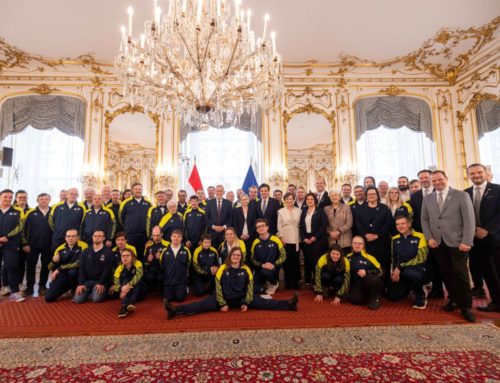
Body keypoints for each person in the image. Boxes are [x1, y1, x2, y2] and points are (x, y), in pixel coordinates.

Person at [164, 247, 298, 319]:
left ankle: (289, 304)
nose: (236, 257)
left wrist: (246, 302)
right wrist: (222, 303)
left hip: (241, 299)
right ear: (230, 256)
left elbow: (250, 288)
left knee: (265, 303)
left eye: (238, 255)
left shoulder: (246, 269)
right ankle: (175, 311)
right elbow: (217, 287)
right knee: (200, 305)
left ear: (241, 257)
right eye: (234, 255)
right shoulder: (223, 268)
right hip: (223, 299)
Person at [421, 170, 476, 322]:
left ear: (446, 178)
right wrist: (429, 237)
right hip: (438, 242)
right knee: (446, 273)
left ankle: (466, 306)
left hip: (458, 242)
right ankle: (454, 299)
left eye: (440, 179)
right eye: (434, 181)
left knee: (461, 274)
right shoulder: (428, 198)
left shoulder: (461, 195)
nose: (437, 183)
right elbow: (424, 220)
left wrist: (467, 240)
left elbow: (469, 220)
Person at [465, 163, 500, 312]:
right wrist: (472, 231)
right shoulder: (465, 193)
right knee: (488, 272)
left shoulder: (498, 189)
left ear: (486, 173)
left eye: (479, 172)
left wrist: (488, 230)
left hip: (495, 237)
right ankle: (497, 301)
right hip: (476, 239)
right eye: (472, 173)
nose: (476, 175)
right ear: (468, 176)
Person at [410, 169, 443, 300]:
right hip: (422, 235)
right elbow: (416, 217)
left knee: (441, 263)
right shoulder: (415, 196)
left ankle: (445, 290)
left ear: (431, 178)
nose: (424, 180)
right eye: (421, 178)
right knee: (428, 263)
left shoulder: (440, 192)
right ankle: (435, 289)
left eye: (426, 177)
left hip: (440, 235)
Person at [387, 215, 429, 309]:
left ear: (409, 224)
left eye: (403, 223)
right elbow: (394, 258)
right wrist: (394, 271)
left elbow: (421, 258)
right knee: (393, 296)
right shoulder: (394, 239)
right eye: (397, 224)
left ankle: (420, 294)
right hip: (402, 271)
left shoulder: (420, 236)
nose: (400, 226)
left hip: (419, 270)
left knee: (410, 273)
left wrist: (400, 267)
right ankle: (409, 289)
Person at [354, 186, 393, 284]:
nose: (371, 196)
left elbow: (388, 223)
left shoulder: (384, 208)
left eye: (373, 194)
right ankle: (369, 286)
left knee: (383, 264)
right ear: (366, 196)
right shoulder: (360, 209)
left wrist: (377, 235)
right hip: (366, 242)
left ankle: (384, 286)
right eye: (369, 194)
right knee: (367, 264)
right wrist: (365, 234)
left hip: (381, 242)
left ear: (377, 195)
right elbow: (357, 223)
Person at [22, 193, 53, 296]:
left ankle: (42, 286)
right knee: (30, 266)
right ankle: (30, 287)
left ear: (49, 200)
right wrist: (25, 244)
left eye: (46, 199)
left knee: (46, 266)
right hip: (32, 245)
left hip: (48, 245)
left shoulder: (54, 211)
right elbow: (24, 230)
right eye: (41, 199)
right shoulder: (31, 213)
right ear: (37, 200)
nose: (44, 200)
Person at [45, 229, 88, 303]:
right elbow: (49, 267)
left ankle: (74, 290)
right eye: (68, 236)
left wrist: (59, 269)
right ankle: (66, 289)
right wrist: (53, 261)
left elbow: (79, 263)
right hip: (64, 275)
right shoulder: (60, 248)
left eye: (73, 236)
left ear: (78, 237)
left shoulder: (84, 246)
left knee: (73, 272)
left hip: (78, 274)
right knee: (49, 298)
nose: (70, 238)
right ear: (65, 238)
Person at [74, 230, 114, 304]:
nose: (97, 238)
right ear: (92, 237)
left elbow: (108, 270)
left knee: (96, 299)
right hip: (87, 282)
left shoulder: (109, 252)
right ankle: (90, 292)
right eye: (95, 236)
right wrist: (81, 283)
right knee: (78, 300)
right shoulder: (85, 251)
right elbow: (81, 268)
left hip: (100, 282)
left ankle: (95, 292)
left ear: (104, 238)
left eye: (99, 236)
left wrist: (101, 283)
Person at [0, 189, 25, 302]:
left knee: (12, 267)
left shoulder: (18, 210)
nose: (8, 199)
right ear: (1, 197)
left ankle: (14, 293)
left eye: (10, 197)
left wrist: (7, 237)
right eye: (5, 197)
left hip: (11, 244)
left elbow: (20, 226)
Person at [250, 219, 286, 295]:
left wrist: (274, 265)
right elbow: (252, 259)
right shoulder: (255, 242)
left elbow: (283, 255)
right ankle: (265, 283)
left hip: (272, 268)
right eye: (258, 227)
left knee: (266, 272)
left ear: (267, 227)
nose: (261, 228)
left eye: (263, 226)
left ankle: (274, 283)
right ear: (256, 230)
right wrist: (261, 265)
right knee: (255, 290)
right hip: (261, 268)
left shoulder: (276, 240)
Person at [346, 236, 383, 310]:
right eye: (355, 243)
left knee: (371, 279)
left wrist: (367, 272)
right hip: (357, 284)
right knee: (355, 300)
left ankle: (375, 297)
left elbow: (381, 271)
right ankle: (365, 296)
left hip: (369, 282)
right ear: (352, 244)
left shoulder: (370, 258)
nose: (357, 245)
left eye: (360, 243)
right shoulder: (347, 257)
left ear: (363, 245)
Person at [300, 193, 328, 286]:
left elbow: (324, 225)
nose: (309, 201)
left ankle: (318, 281)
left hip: (318, 239)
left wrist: (315, 237)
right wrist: (304, 238)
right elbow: (300, 226)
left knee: (316, 260)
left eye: (311, 199)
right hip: (306, 239)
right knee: (308, 260)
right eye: (307, 199)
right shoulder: (303, 211)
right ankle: (309, 279)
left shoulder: (320, 211)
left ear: (315, 200)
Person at [118, 183, 152, 261]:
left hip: (144, 235)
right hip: (130, 234)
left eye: (140, 189)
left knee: (143, 255)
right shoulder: (125, 203)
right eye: (136, 189)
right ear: (132, 191)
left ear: (142, 190)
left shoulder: (148, 203)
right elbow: (121, 217)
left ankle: (142, 272)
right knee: (130, 255)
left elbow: (151, 218)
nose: (138, 191)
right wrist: (128, 226)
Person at [277, 192, 302, 289]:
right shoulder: (280, 211)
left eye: (290, 199)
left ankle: (296, 281)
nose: (289, 201)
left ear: (294, 199)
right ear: (284, 200)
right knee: (286, 261)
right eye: (287, 199)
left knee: (295, 260)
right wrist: (281, 237)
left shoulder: (299, 210)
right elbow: (279, 226)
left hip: (296, 237)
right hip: (285, 237)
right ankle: (287, 280)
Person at [114, 248, 147, 318]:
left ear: (132, 257)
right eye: (123, 256)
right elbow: (116, 285)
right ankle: (124, 306)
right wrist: (122, 289)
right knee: (125, 280)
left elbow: (139, 275)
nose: (125, 258)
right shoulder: (119, 268)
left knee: (136, 279)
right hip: (127, 294)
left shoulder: (138, 263)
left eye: (127, 255)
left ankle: (132, 302)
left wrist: (128, 286)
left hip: (140, 292)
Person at [160, 229, 191, 302]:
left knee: (180, 299)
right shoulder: (165, 251)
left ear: (181, 238)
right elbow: (161, 264)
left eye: (178, 236)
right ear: (171, 237)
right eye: (174, 236)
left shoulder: (186, 250)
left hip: (181, 281)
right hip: (168, 281)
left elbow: (189, 264)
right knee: (168, 299)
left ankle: (185, 288)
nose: (176, 238)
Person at [324, 189, 353, 254]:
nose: (334, 197)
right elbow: (324, 224)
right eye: (332, 196)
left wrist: (338, 232)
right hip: (331, 239)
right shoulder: (326, 208)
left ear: (340, 196)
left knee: (344, 260)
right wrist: (330, 233)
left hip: (344, 239)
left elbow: (349, 223)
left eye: (336, 195)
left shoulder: (346, 207)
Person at [143, 226, 170, 292]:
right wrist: (148, 261)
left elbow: (171, 262)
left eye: (157, 235)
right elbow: (144, 262)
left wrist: (161, 258)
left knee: (161, 277)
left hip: (163, 270)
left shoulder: (168, 245)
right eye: (154, 235)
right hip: (151, 270)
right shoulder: (148, 245)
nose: (155, 238)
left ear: (162, 234)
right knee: (146, 277)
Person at [206, 185, 233, 249]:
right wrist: (214, 227)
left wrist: (223, 227)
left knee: (224, 253)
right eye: (217, 191)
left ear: (223, 192)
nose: (219, 192)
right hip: (212, 233)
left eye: (221, 191)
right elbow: (206, 218)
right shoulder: (209, 203)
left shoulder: (228, 203)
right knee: (213, 253)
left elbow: (231, 218)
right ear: (215, 192)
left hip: (225, 233)